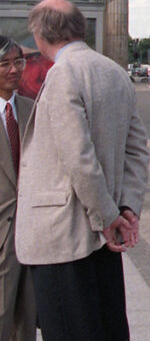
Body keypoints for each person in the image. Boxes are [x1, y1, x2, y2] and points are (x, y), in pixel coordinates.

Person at [15, 0, 149, 340]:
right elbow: (137, 150)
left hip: (64, 236)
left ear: (41, 33)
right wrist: (127, 207)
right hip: (105, 239)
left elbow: (78, 156)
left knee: (70, 330)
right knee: (106, 328)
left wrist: (107, 217)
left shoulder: (63, 74)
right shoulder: (114, 71)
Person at [0, 36, 35, 340]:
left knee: (28, 316)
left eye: (18, 61)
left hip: (32, 234)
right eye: (5, 63)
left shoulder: (32, 110)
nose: (14, 70)